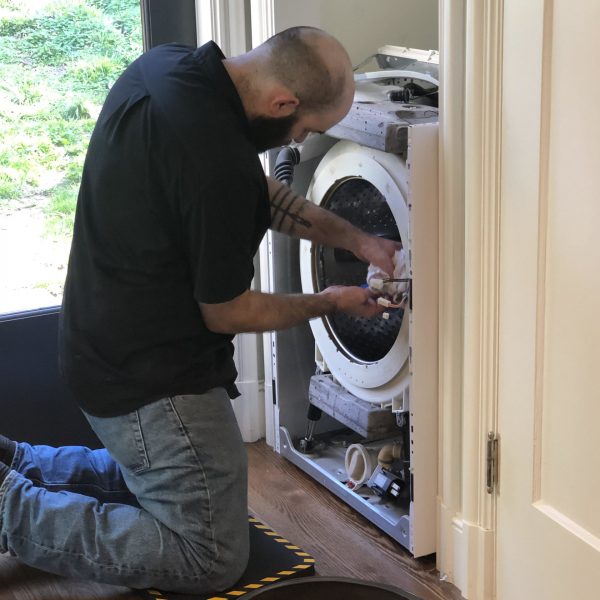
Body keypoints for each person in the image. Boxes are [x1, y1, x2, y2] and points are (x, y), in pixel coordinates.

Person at [0, 27, 399, 594]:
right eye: (307, 128)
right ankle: (8, 509)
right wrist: (329, 303)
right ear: (283, 103)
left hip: (95, 343)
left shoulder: (166, 70)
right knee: (208, 553)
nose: (299, 139)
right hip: (149, 380)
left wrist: (359, 241)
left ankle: (21, 467)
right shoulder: (219, 166)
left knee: (166, 482)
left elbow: (260, 194)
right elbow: (228, 313)